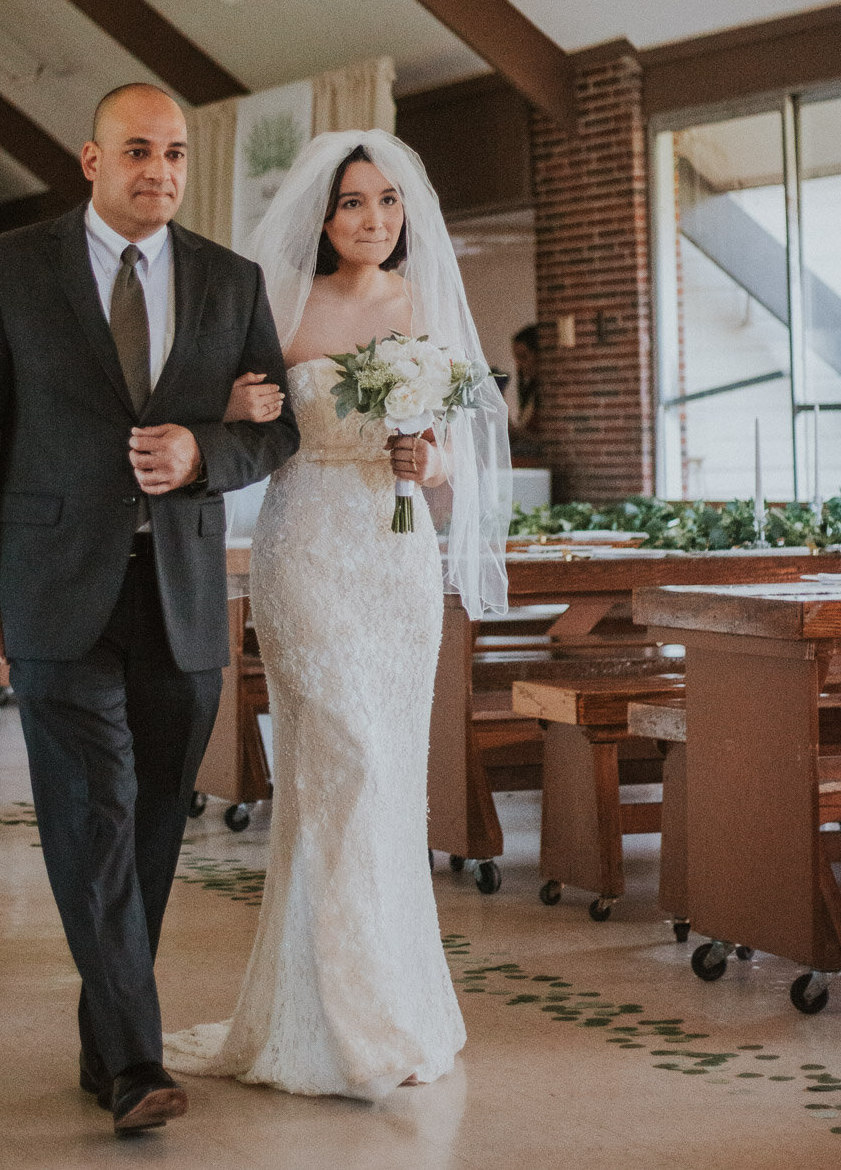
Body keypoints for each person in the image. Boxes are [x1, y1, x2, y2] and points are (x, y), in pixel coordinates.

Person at [0, 85, 299, 1136]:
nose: (162, 171)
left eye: (176, 153)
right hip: (52, 591)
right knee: (93, 820)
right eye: (139, 150)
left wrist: (200, 453)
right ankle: (138, 1062)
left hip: (180, 596)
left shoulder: (230, 281)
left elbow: (274, 429)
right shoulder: (10, 267)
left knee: (145, 833)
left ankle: (104, 1040)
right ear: (90, 161)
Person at [166, 129, 509, 1099]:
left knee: (389, 771)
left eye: (389, 203)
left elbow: (451, 456)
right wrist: (233, 402)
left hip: (398, 561)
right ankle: (348, 1021)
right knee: (340, 758)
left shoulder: (423, 303)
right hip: (307, 545)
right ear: (324, 215)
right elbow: (232, 415)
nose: (375, 220)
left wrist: (429, 464)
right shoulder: (279, 302)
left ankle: (382, 1001)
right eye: (356, 203)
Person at [510, 322, 543, 462]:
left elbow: (545, 441)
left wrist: (515, 431)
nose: (519, 364)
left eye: (523, 357)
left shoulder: (549, 393)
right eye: (516, 358)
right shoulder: (529, 390)